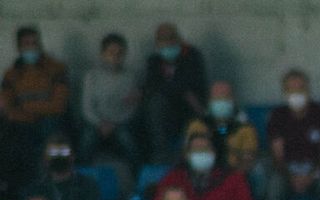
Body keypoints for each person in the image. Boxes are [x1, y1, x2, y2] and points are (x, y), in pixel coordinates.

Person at [265, 69, 320, 200]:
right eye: (291, 89)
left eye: (300, 88)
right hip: (287, 170)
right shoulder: (277, 115)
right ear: (284, 92)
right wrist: (291, 176)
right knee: (273, 191)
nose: (296, 93)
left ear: (308, 90)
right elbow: (277, 156)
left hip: (316, 169)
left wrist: (311, 175)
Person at [1, 27, 69, 188]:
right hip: (21, 122)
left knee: (52, 133)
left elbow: (58, 105)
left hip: (50, 120)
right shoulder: (11, 74)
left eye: (34, 43)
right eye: (27, 43)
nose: (31, 47)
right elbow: (7, 106)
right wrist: (27, 113)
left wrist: (26, 107)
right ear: (19, 47)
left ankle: (51, 182)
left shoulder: (56, 69)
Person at [141, 23, 207, 163]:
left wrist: (174, 87)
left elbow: (191, 83)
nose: (168, 42)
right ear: (157, 43)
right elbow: (151, 86)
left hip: (189, 109)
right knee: (154, 105)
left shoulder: (192, 56)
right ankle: (160, 156)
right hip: (167, 112)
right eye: (163, 39)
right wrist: (179, 89)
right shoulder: (154, 61)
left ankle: (187, 157)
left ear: (179, 39)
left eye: (171, 38)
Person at [79, 33, 141, 165]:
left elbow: (132, 108)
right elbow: (87, 107)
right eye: (111, 52)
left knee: (129, 143)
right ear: (103, 54)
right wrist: (101, 123)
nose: (115, 57)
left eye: (120, 53)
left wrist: (113, 124)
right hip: (95, 123)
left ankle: (136, 174)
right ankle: (83, 172)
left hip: (120, 123)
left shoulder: (131, 77)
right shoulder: (91, 76)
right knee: (86, 142)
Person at [184, 81, 261, 178]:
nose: (220, 102)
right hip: (199, 177)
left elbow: (248, 160)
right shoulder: (197, 126)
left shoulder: (246, 129)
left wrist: (230, 180)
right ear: (209, 101)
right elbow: (187, 156)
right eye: (216, 99)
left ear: (233, 100)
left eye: (224, 98)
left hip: (234, 177)